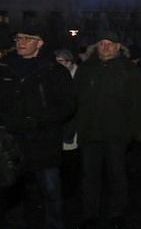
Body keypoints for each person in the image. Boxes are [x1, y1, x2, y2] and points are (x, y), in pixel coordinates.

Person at [0, 27, 74, 229]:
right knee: (12, 190)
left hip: (44, 141)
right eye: (18, 38)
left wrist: (37, 120)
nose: (20, 42)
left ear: (39, 42)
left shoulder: (54, 70)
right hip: (12, 143)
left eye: (26, 38)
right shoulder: (5, 67)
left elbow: (67, 106)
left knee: (50, 190)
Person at [74, 31, 141, 229]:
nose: (105, 47)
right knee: (90, 176)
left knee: (117, 175)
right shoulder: (86, 68)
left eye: (110, 44)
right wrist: (73, 129)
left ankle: (117, 214)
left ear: (118, 47)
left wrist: (139, 134)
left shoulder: (129, 70)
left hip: (117, 133)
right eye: (102, 43)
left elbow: (138, 103)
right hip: (90, 132)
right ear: (97, 46)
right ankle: (90, 215)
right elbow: (75, 100)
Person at [54, 49, 81, 202]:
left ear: (70, 63)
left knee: (71, 162)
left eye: (61, 61)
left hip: (73, 129)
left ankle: (71, 194)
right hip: (59, 128)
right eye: (56, 61)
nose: (58, 65)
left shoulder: (78, 77)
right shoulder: (56, 77)